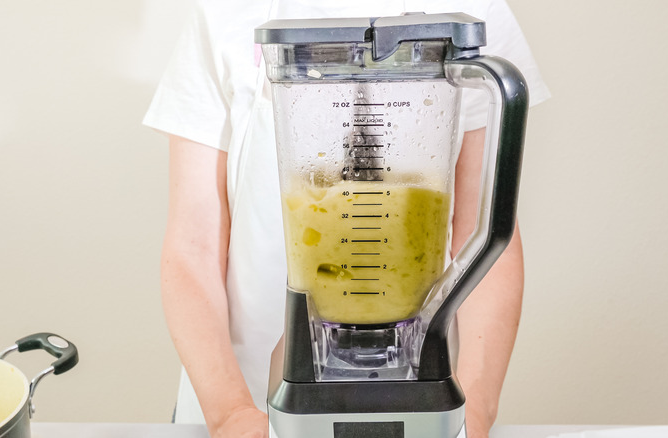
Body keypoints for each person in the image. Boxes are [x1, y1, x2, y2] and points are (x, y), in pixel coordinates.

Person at [144, 0, 550, 437]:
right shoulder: (226, 11)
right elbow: (193, 247)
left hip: (413, 389)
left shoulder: (471, 10)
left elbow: (481, 233)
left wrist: (474, 414)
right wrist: (230, 415)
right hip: (233, 397)